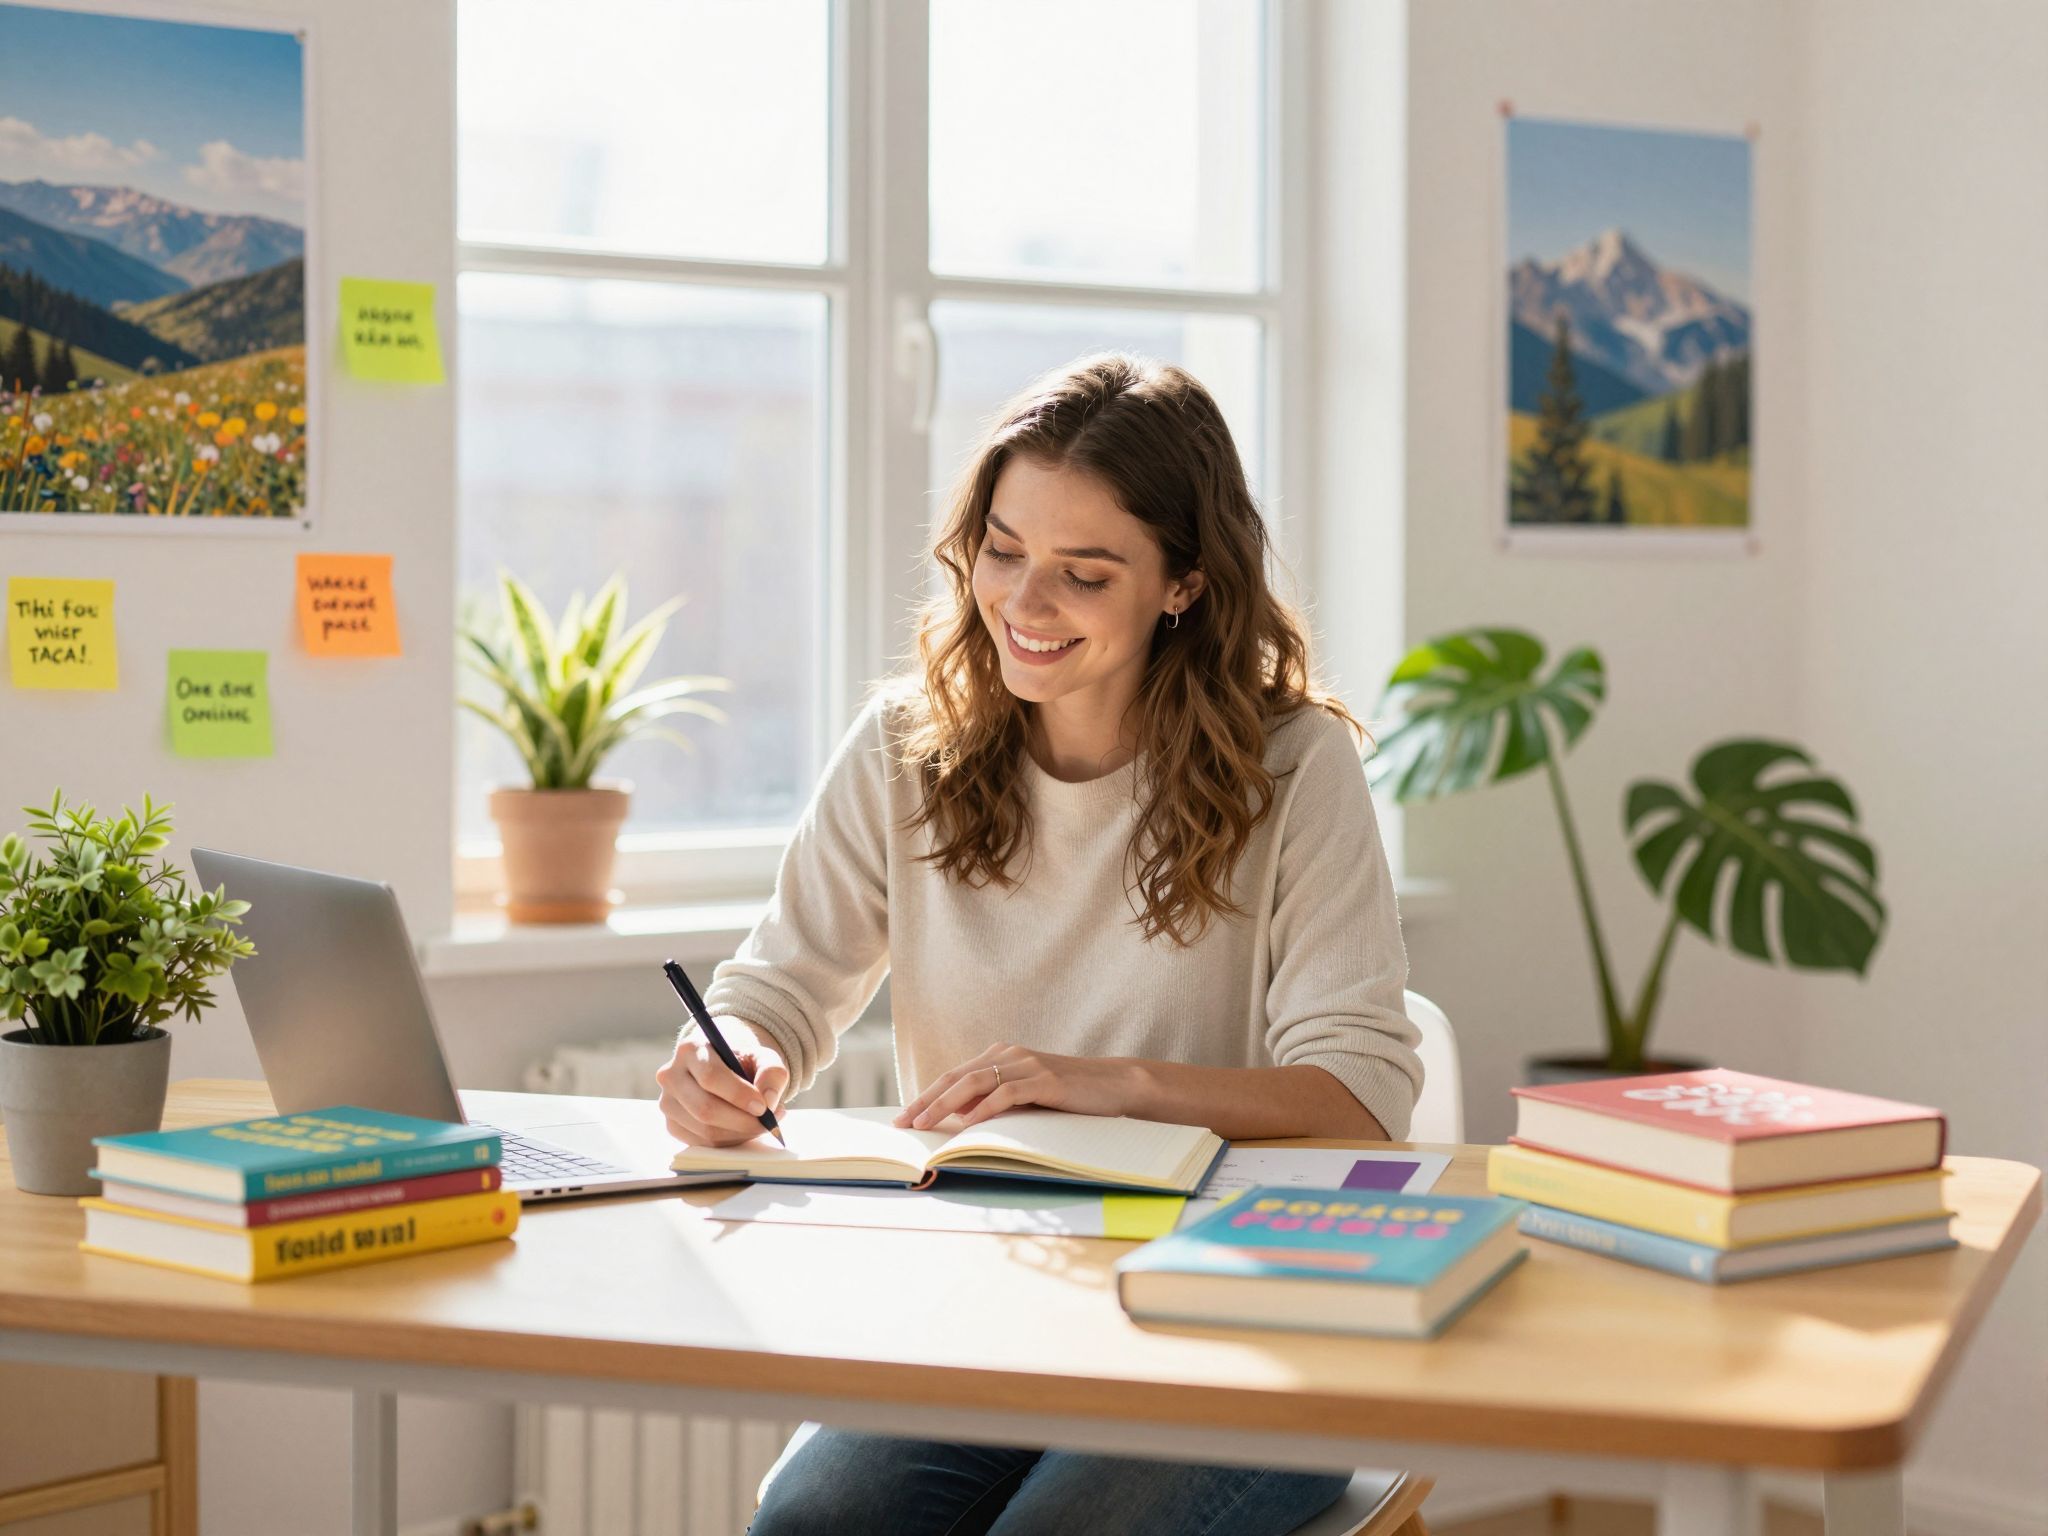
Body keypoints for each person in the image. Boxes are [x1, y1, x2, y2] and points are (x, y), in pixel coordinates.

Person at [657, 353, 1423, 1536]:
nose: (1022, 601)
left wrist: (1107, 1090)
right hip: (990, 1303)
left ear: (1182, 585)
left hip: (1243, 1322)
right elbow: (781, 984)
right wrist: (737, 1050)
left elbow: (1362, 1095)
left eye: (1084, 572)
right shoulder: (903, 749)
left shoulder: (1293, 767)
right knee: (813, 1524)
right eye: (1001, 550)